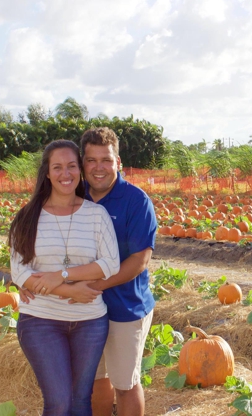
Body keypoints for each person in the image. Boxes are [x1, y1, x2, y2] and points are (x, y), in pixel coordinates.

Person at [9, 139, 120, 416]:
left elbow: (110, 264)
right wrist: (68, 291)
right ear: (46, 172)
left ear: (79, 171)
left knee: (82, 401)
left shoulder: (97, 215)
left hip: (90, 322)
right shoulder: (27, 217)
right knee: (59, 403)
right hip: (41, 321)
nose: (65, 174)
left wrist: (63, 275)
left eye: (71, 166)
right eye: (57, 167)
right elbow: (20, 272)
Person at [79, 127, 157, 416]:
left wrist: (94, 286)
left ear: (118, 163)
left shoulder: (136, 201)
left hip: (125, 307)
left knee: (125, 384)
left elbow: (139, 260)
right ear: (83, 162)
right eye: (91, 160)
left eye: (106, 160)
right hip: (84, 307)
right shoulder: (74, 195)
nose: (99, 168)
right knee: (96, 381)